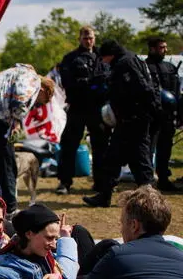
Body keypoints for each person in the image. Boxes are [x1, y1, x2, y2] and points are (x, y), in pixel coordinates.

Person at [84, 40, 160, 207]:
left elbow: (142, 88)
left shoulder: (125, 63)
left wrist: (139, 111)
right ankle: (104, 195)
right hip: (128, 119)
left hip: (134, 119)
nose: (103, 62)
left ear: (110, 55)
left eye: (104, 58)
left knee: (140, 159)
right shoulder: (130, 59)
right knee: (114, 158)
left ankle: (151, 200)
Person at [0, 64, 55, 215]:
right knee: (7, 165)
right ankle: (10, 208)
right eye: (40, 101)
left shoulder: (13, 72)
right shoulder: (32, 79)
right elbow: (19, 96)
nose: (36, 105)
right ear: (44, 90)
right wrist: (17, 119)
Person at [56, 26, 110, 195]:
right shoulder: (71, 59)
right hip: (78, 107)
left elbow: (109, 79)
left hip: (98, 109)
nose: (89, 41)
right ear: (79, 39)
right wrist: (90, 84)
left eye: (91, 38)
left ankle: (100, 182)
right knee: (69, 144)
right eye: (86, 38)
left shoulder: (103, 57)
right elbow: (67, 83)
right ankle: (65, 182)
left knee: (101, 146)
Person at [88, 186, 183, 278]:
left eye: (123, 223)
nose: (121, 230)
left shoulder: (117, 255)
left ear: (134, 225)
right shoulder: (181, 258)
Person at [0, 204, 79, 279]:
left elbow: (67, 272)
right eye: (49, 238)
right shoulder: (2, 270)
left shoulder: (45, 256)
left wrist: (66, 238)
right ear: (29, 234)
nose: (54, 245)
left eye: (56, 238)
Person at [145, 36, 181, 191]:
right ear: (152, 48)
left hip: (167, 116)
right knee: (148, 149)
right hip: (151, 116)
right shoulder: (144, 66)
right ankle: (147, 180)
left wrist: (178, 113)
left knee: (165, 148)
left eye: (165, 47)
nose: (165, 50)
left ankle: (164, 178)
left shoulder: (170, 67)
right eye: (161, 47)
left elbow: (176, 92)